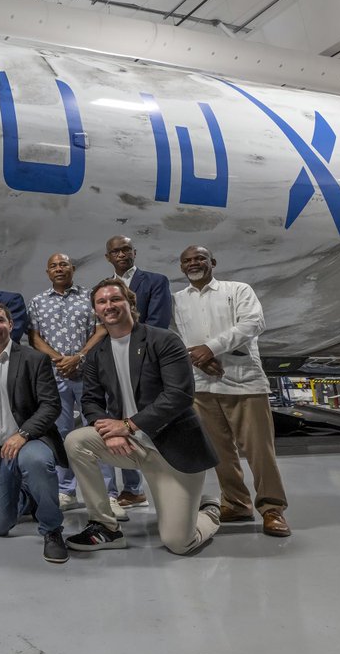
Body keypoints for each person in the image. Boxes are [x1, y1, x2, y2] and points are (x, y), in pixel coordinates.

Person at [63, 278, 221, 555]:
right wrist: (107, 431)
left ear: (130, 303)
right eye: (102, 302)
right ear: (95, 311)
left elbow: (179, 396)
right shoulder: (97, 354)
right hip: (133, 446)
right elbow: (90, 400)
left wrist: (127, 425)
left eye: (115, 299)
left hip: (173, 452)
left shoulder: (164, 340)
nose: (109, 306)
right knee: (77, 441)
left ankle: (209, 510)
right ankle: (105, 528)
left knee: (178, 542)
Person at [172, 245, 291, 537]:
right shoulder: (176, 301)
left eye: (200, 258)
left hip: (244, 384)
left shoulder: (237, 290)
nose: (193, 263)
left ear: (212, 261)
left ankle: (272, 509)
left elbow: (253, 323)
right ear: (181, 268)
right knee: (219, 452)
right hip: (202, 386)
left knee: (259, 452)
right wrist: (196, 359)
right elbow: (173, 337)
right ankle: (237, 503)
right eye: (187, 260)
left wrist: (210, 348)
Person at [0, 302, 67, 563]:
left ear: (11, 324)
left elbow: (51, 405)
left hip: (31, 440)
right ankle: (28, 497)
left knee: (35, 462)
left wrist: (23, 434)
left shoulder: (34, 359)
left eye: (0, 320)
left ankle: (52, 530)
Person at [27, 253, 119, 517]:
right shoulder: (37, 302)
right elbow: (34, 337)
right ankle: (66, 490)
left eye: (63, 265)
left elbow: (101, 329)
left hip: (88, 375)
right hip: (54, 377)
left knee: (98, 430)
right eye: (53, 265)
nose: (59, 269)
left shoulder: (89, 297)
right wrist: (60, 360)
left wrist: (78, 357)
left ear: (73, 269)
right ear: (48, 272)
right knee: (61, 434)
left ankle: (109, 494)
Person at [103, 234, 173, 510]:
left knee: (152, 423)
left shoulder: (155, 281)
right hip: (115, 360)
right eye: (115, 251)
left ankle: (169, 487)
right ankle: (133, 490)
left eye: (125, 250)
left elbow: (158, 322)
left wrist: (137, 349)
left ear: (134, 252)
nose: (121, 254)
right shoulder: (106, 287)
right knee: (118, 423)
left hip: (145, 361)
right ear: (108, 257)